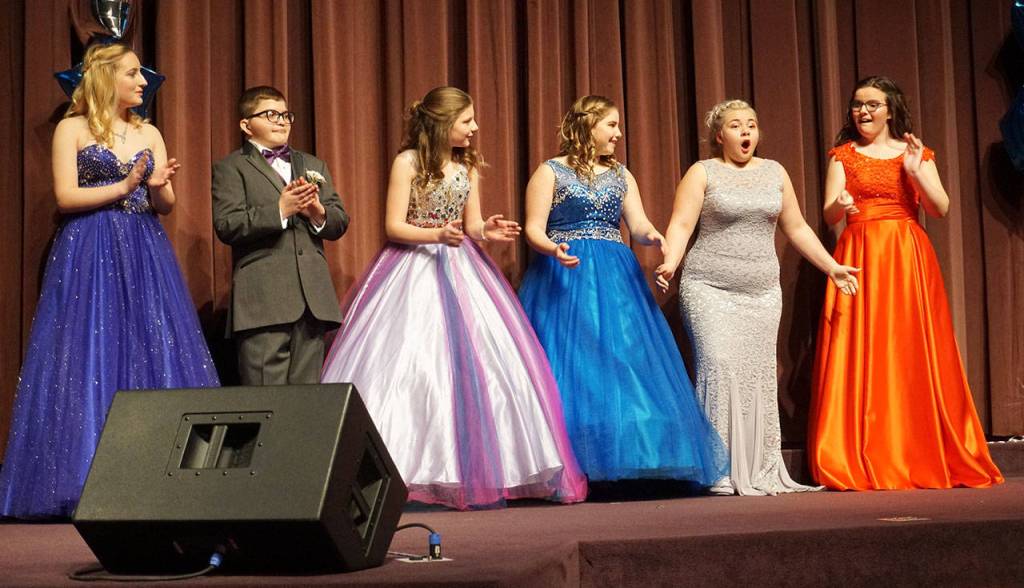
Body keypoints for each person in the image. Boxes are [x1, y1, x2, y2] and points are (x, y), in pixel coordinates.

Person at [320, 87, 587, 510]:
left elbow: (472, 222)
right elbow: (394, 226)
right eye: (467, 121)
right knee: (412, 365)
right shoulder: (407, 163)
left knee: (483, 367)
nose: (475, 128)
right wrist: (435, 235)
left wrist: (487, 230)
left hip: (462, 269)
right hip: (412, 268)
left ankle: (471, 472)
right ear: (443, 123)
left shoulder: (467, 166)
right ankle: (404, 470)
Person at [0, 43, 219, 518]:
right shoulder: (73, 128)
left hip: (143, 248)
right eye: (134, 73)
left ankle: (160, 480)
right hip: (90, 248)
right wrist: (123, 185)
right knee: (89, 352)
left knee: (148, 346)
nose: (144, 82)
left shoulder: (150, 131)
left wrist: (159, 185)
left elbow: (165, 206)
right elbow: (64, 196)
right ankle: (84, 479)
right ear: (104, 78)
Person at [517, 95, 728, 487]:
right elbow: (533, 228)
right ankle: (569, 462)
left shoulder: (621, 174)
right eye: (611, 125)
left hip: (616, 276)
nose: (617, 133)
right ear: (589, 125)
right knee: (573, 365)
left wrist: (656, 240)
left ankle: (636, 458)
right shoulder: (550, 172)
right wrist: (552, 248)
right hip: (567, 272)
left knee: (624, 361)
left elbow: (640, 224)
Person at [808, 76, 1003, 490]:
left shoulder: (916, 153)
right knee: (861, 347)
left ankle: (915, 447)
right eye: (858, 105)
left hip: (905, 254)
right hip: (858, 254)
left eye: (873, 105)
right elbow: (827, 215)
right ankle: (860, 450)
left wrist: (915, 173)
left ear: (891, 110)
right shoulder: (842, 155)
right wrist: (839, 204)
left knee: (909, 346)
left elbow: (941, 207)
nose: (863, 111)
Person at [656, 99, 859, 496]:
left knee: (757, 376)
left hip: (762, 292)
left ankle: (760, 465)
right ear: (720, 135)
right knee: (719, 367)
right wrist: (670, 263)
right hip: (709, 287)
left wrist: (831, 267)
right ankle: (719, 468)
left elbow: (797, 227)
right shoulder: (703, 173)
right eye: (736, 125)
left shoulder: (775, 173)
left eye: (751, 124)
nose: (746, 132)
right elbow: (681, 224)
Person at [212, 86, 349, 385]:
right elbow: (227, 224)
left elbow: (339, 221)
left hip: (312, 302)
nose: (281, 121)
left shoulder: (313, 165)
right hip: (264, 302)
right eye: (270, 114)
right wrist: (280, 210)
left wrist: (316, 210)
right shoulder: (231, 167)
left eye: (286, 114)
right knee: (266, 403)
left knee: (304, 407)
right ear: (246, 125)